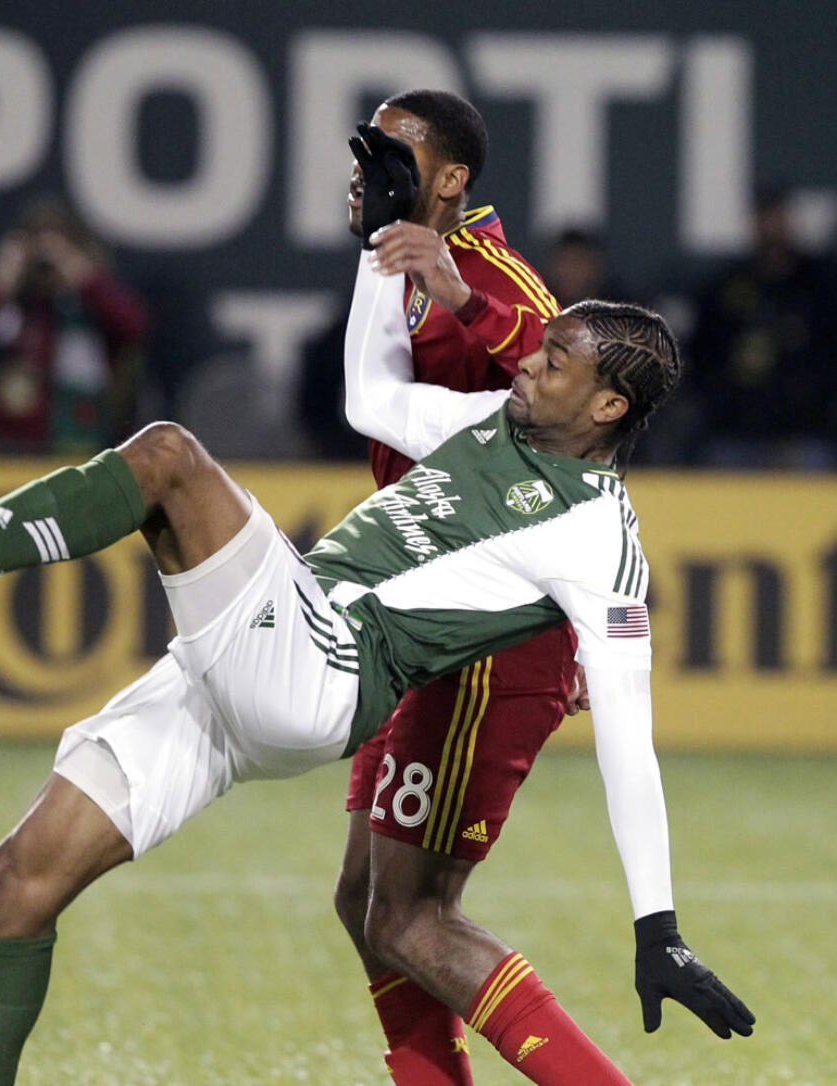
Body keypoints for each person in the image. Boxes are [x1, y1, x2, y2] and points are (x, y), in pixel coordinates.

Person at [0, 236, 753, 1081]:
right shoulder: (494, 418)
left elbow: (630, 744)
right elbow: (370, 396)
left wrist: (657, 927)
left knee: (169, 460)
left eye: (556, 360)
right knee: (15, 884)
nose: (531, 362)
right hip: (238, 675)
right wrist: (374, 248)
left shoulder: (598, 536)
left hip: (324, 665)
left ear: (607, 405)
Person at [333, 91, 577, 1084]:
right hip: (419, 612)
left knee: (411, 915)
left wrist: (461, 294)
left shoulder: (488, 272)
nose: (363, 170)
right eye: (360, 153)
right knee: (363, 903)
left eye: (392, 154)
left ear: (449, 180)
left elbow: (579, 403)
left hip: (484, 621)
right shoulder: (387, 274)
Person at [0, 194, 149, 454]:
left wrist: (83, 277)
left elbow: (134, 327)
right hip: (5, 450)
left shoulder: (90, 305)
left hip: (82, 447)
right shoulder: (5, 305)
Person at [687, 185, 837, 468]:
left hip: (806, 431)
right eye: (763, 219)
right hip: (737, 431)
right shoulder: (725, 288)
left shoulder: (820, 286)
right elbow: (702, 357)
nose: (771, 228)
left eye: (777, 218)